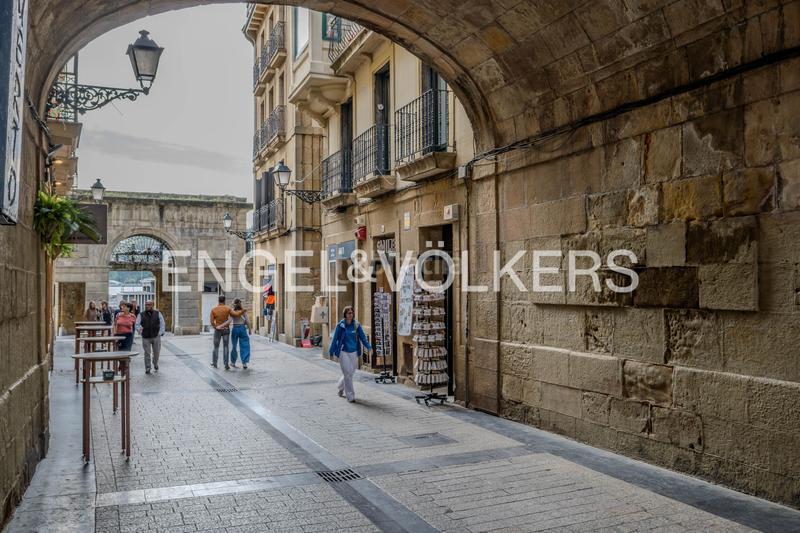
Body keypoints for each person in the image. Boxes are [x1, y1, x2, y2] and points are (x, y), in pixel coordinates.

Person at [328, 306, 373, 403]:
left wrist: (369, 347)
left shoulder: (356, 325)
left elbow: (363, 337)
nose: (350, 314)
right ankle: (350, 396)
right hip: (343, 352)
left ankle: (340, 386)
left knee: (350, 374)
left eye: (352, 312)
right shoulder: (340, 326)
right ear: (345, 314)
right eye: (348, 313)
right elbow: (335, 339)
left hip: (354, 352)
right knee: (347, 373)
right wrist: (331, 352)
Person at [135, 300, 165, 374]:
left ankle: (155, 363)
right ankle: (148, 367)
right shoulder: (141, 314)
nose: (147, 306)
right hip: (146, 337)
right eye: (146, 305)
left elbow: (162, 323)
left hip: (156, 336)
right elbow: (137, 324)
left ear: (152, 305)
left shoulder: (158, 313)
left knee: (156, 352)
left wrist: (160, 333)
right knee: (147, 353)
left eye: (149, 304)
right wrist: (139, 330)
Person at [210, 295, 232, 370]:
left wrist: (216, 327)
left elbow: (212, 322)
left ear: (218, 300)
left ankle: (215, 363)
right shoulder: (228, 309)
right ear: (224, 300)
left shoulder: (214, 309)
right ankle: (226, 365)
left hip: (218, 330)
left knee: (216, 347)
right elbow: (234, 315)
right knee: (226, 347)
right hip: (226, 329)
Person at [230, 299, 251, 369]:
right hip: (242, 328)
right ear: (240, 304)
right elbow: (247, 321)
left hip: (235, 328)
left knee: (234, 346)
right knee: (245, 345)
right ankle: (244, 363)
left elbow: (229, 320)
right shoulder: (243, 311)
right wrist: (250, 330)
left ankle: (233, 362)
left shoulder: (232, 311)